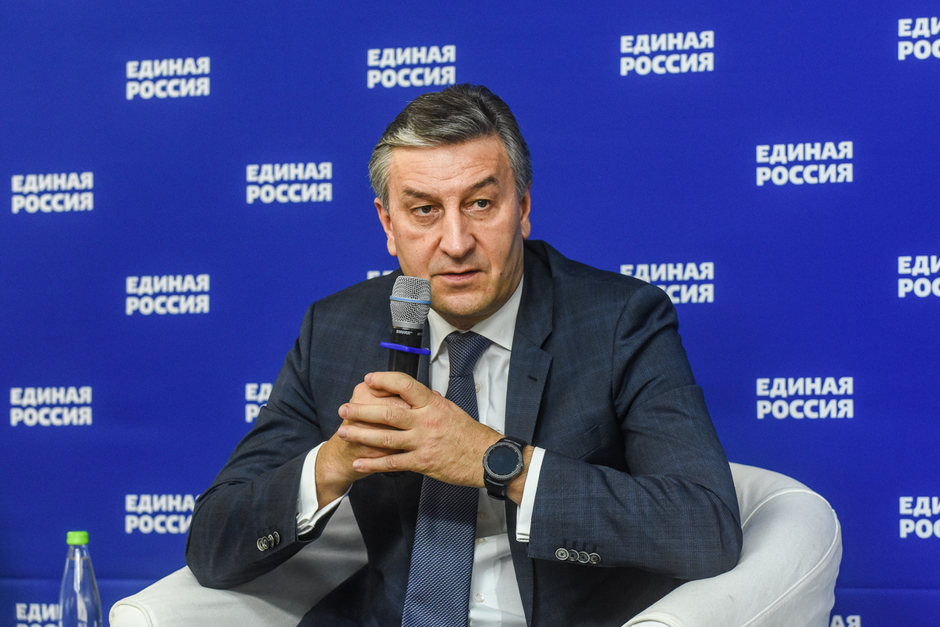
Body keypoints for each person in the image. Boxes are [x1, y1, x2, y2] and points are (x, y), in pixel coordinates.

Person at [186, 84, 742, 627]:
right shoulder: (335, 330)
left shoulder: (619, 320)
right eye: (424, 210)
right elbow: (212, 544)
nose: (456, 243)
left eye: (479, 204)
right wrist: (334, 462)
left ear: (522, 208)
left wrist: (496, 461)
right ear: (388, 224)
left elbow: (705, 527)